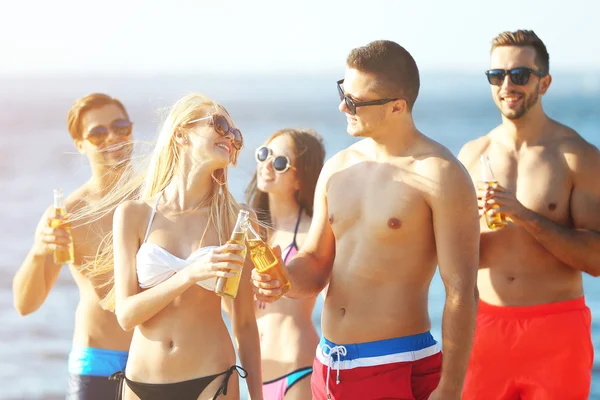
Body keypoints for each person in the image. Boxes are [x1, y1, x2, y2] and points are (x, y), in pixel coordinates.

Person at [252, 40, 480, 400]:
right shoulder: (338, 168)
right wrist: (283, 280)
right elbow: (315, 261)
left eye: (355, 101)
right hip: (327, 366)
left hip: (395, 363)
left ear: (397, 107)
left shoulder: (441, 174)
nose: (343, 105)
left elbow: (461, 290)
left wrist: (450, 386)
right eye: (344, 91)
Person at [458, 29, 599, 400]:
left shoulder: (576, 156)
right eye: (497, 75)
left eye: (520, 75)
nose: (507, 85)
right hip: (485, 328)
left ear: (545, 82)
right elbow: (457, 258)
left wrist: (523, 215)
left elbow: (596, 258)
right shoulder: (472, 156)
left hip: (556, 329)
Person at [94, 93, 262, 399]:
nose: (231, 138)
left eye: (235, 134)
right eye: (220, 124)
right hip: (141, 383)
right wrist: (190, 274)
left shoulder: (236, 220)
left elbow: (246, 325)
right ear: (181, 133)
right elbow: (127, 314)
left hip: (213, 379)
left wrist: (258, 397)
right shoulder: (133, 215)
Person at [12, 93, 135, 399]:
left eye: (121, 127)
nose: (112, 138)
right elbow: (25, 305)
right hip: (96, 364)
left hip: (158, 362)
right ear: (80, 145)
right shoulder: (69, 213)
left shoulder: (161, 199)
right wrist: (39, 250)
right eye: (97, 133)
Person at [246, 128, 325, 400]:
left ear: (300, 179)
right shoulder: (249, 230)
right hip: (254, 377)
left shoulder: (312, 234)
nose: (267, 165)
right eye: (264, 154)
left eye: (280, 162)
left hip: (298, 369)